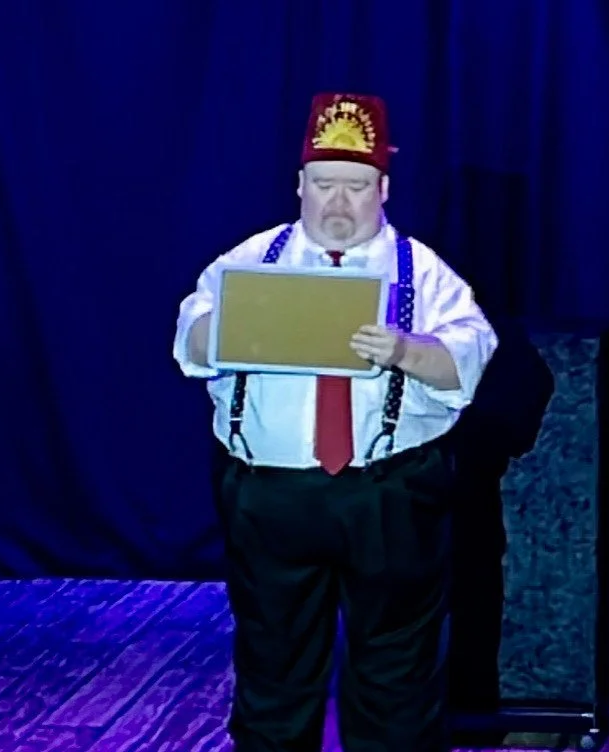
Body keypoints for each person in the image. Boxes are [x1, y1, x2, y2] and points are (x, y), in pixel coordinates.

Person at [172, 92, 498, 752]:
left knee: (395, 674)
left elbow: (470, 355)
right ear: (299, 186)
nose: (339, 205)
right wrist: (235, 329)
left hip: (387, 492)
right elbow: (190, 339)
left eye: (355, 186)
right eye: (324, 185)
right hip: (270, 494)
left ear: (383, 188)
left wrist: (407, 350)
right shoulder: (250, 260)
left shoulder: (419, 272)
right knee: (273, 663)